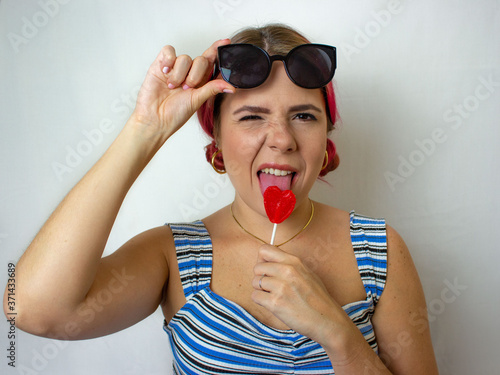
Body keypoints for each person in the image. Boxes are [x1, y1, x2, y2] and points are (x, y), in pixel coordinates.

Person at [3, 24, 439, 374]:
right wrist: (144, 131)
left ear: (326, 139)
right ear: (218, 144)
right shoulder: (173, 256)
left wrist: (336, 332)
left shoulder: (379, 250)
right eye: (252, 117)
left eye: (303, 116)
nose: (282, 140)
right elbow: (29, 308)